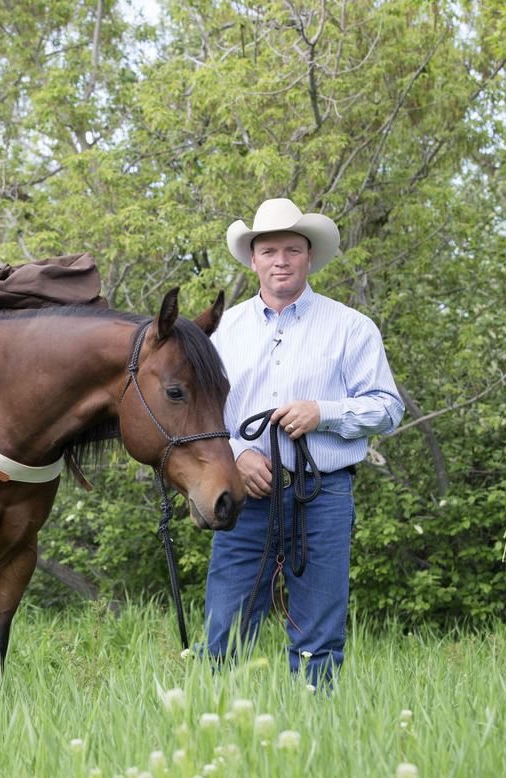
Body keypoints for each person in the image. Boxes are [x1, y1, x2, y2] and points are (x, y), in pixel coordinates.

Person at [201, 198, 405, 688]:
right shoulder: (219, 333)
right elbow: (196, 417)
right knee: (224, 629)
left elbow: (388, 408)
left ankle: (316, 733)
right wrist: (236, 453)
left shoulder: (351, 327)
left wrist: (324, 412)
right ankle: (220, 735)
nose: (281, 260)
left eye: (292, 249)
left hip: (323, 493)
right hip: (245, 495)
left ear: (309, 257)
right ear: (253, 259)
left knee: (319, 633)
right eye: (269, 250)